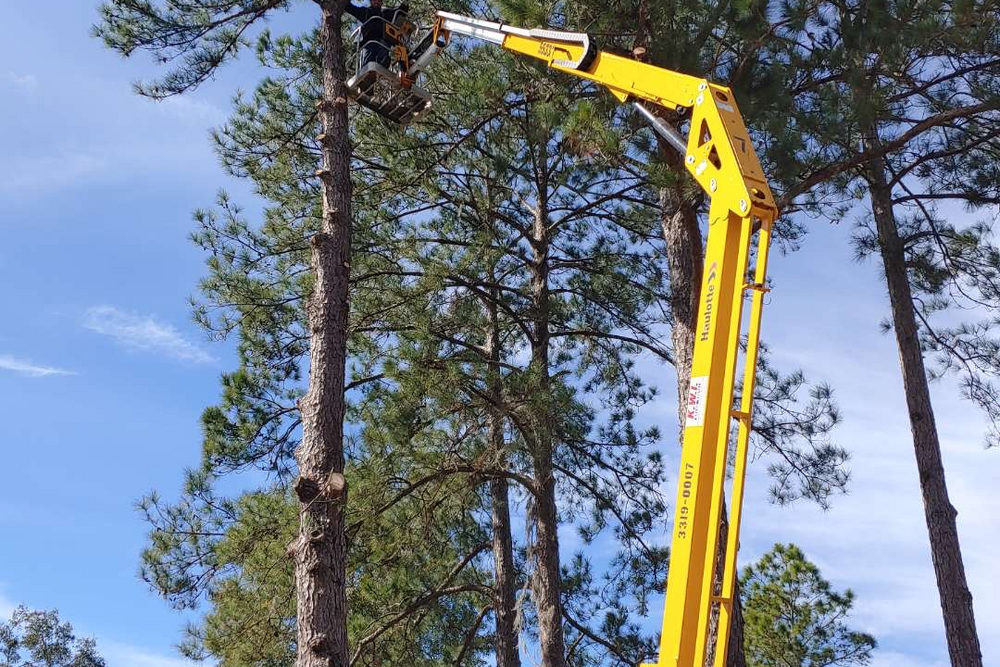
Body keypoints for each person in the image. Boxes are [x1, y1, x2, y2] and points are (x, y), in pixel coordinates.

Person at [345, 0, 410, 70]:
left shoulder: (385, 13)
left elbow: (400, 12)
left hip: (383, 41)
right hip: (369, 41)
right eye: (375, 0)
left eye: (379, 0)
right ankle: (367, 71)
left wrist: (406, 3)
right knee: (369, 57)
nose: (377, 2)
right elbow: (350, 8)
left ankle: (385, 63)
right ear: (371, 1)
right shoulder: (365, 12)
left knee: (384, 51)